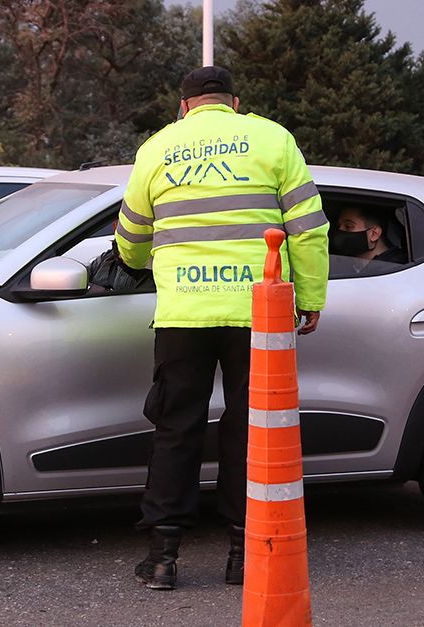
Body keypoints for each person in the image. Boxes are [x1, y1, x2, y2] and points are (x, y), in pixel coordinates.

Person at [115, 65, 329, 591]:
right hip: (257, 312)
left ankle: (163, 557)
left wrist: (140, 260)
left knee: (176, 427)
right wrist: (311, 296)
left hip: (183, 314)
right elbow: (308, 228)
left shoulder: (158, 147)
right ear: (234, 101)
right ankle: (244, 553)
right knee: (251, 430)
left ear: (184, 105)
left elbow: (132, 236)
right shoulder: (273, 138)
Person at [330, 204, 406, 267]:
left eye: (348, 226)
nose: (340, 231)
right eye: (339, 226)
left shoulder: (392, 270)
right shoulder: (347, 266)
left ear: (374, 234)